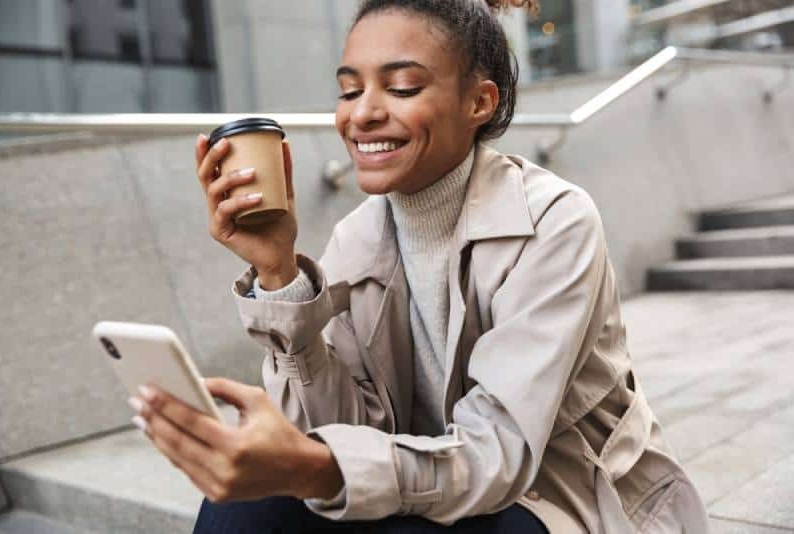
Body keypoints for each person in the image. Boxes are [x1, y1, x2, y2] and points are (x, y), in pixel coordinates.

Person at [129, 0, 712, 532]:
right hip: (428, 477)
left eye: (402, 87)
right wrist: (278, 270)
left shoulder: (555, 221)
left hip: (553, 497)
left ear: (479, 102)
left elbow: (498, 455)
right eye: (349, 90)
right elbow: (344, 427)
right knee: (242, 508)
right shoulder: (356, 239)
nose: (362, 115)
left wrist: (321, 469)